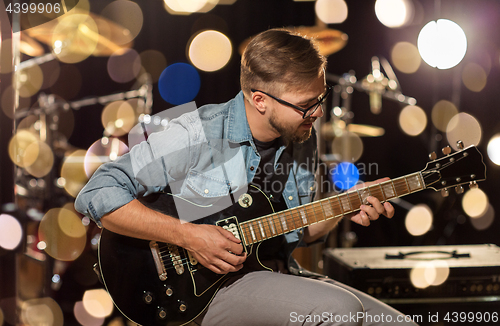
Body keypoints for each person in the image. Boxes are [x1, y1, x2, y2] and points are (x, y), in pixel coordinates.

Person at [75, 28, 418, 326]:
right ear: (260, 100)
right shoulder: (197, 132)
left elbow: (295, 231)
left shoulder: (302, 136)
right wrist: (188, 235)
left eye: (320, 98)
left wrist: (345, 206)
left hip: (274, 275)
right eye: (305, 105)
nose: (317, 112)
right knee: (340, 310)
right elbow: (97, 193)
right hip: (201, 290)